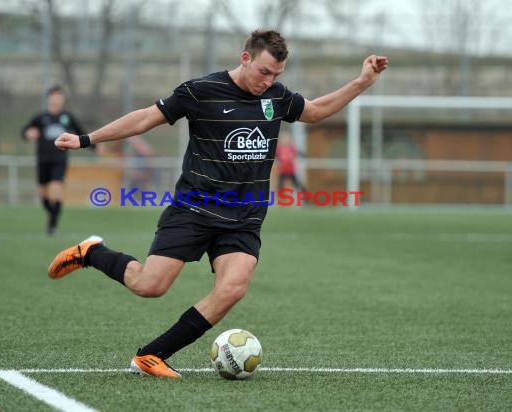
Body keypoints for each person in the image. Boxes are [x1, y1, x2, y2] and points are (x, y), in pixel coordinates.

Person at [47, 30, 388, 379]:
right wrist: (86, 139)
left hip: (244, 217)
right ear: (246, 58)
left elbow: (315, 111)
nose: (269, 81)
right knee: (149, 286)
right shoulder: (200, 91)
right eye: (264, 72)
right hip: (194, 208)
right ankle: (91, 251)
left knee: (233, 288)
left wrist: (362, 81)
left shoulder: (276, 97)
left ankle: (151, 355)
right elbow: (145, 118)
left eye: (276, 76)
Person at [21, 85, 86, 235]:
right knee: (43, 195)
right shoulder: (40, 118)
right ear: (49, 98)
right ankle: (53, 214)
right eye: (53, 95)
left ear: (62, 99)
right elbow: (24, 131)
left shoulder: (67, 118)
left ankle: (52, 226)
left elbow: (81, 135)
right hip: (43, 160)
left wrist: (96, 147)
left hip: (59, 159)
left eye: (59, 96)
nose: (56, 98)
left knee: (56, 191)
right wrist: (28, 133)